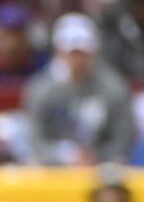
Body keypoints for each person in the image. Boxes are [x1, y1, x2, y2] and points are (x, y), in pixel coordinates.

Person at [22, 14, 135, 168]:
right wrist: (63, 156)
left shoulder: (113, 86)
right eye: (71, 53)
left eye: (82, 53)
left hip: (102, 163)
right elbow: (34, 138)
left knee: (119, 164)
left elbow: (124, 136)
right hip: (54, 164)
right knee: (31, 162)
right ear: (58, 52)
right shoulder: (41, 88)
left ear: (93, 51)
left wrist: (98, 156)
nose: (76, 60)